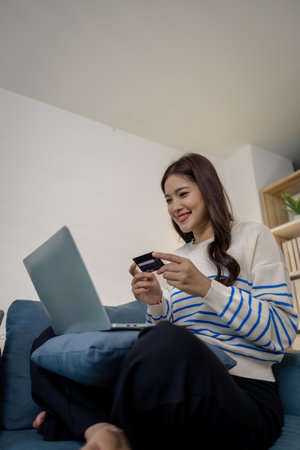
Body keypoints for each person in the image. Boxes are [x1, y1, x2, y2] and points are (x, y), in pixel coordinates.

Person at [31, 153, 298, 450]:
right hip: (172, 386)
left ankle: (76, 415)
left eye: (182, 194)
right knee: (49, 340)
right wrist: (155, 303)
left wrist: (208, 288)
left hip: (243, 395)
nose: (175, 207)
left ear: (209, 190)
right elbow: (156, 349)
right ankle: (101, 428)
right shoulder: (179, 257)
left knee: (170, 340)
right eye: (168, 200)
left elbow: (282, 334)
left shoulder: (252, 236)